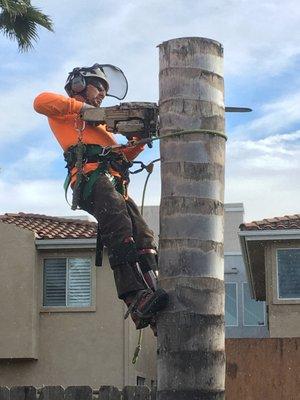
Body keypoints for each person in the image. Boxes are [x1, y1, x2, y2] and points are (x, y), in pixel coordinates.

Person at [34, 64, 168, 335]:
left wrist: (139, 139)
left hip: (113, 184)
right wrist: (85, 110)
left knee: (142, 234)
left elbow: (123, 157)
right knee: (118, 222)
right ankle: (133, 296)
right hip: (89, 180)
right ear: (79, 85)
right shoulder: (65, 111)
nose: (104, 94)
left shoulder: (104, 129)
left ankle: (152, 288)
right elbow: (39, 102)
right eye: (100, 87)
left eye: (107, 89)